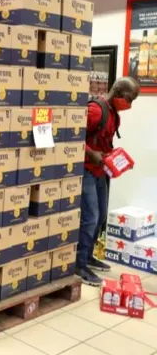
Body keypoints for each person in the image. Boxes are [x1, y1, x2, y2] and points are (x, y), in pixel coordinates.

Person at [77, 77, 140, 286]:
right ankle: (79, 264)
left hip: (100, 171)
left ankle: (88, 257)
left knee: (102, 215)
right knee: (91, 216)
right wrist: (91, 154)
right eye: (129, 99)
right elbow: (72, 135)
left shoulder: (115, 115)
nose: (129, 105)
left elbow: (105, 144)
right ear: (119, 91)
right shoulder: (96, 111)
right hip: (85, 170)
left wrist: (119, 159)